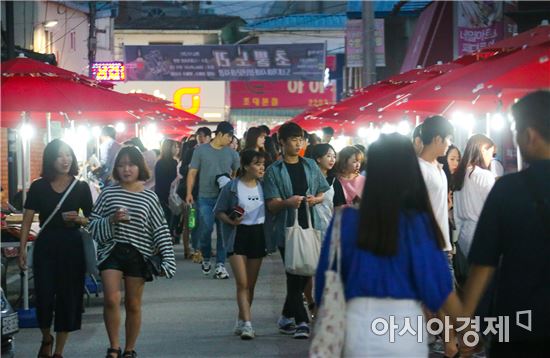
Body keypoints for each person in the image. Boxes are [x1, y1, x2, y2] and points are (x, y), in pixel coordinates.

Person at [315, 133, 461, 356]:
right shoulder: (417, 224)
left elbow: (324, 282)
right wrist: (468, 330)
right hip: (403, 327)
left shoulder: (345, 222)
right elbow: (437, 286)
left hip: (356, 326)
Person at [461, 91, 550, 356]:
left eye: (515, 131)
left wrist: (466, 325)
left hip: (519, 326)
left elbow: (483, 266)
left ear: (530, 135)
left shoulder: (508, 190)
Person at [88, 146, 176, 358]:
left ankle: (129, 348)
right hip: (112, 250)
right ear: (116, 169)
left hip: (139, 252)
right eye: (121, 165)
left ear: (140, 167)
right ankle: (114, 347)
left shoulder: (149, 197)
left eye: (131, 164)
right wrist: (111, 220)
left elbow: (160, 228)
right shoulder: (108, 193)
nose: (126, 169)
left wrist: (168, 259)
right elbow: (92, 224)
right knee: (111, 298)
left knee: (133, 303)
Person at [18, 139, 93, 358]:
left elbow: (91, 218)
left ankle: (59, 351)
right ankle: (46, 337)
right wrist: (22, 248)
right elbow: (27, 219)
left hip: (72, 246)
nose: (65, 160)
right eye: (60, 155)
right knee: (43, 296)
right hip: (46, 246)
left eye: (68, 155)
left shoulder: (80, 186)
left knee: (68, 298)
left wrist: (78, 219)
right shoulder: (39, 186)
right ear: (51, 159)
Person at [263, 122, 329, 339]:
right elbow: (272, 204)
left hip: (311, 225)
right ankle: (301, 321)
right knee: (293, 272)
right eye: (293, 139)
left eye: (300, 139)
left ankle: (285, 316)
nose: (298, 143)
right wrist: (287, 202)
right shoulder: (273, 171)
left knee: (305, 272)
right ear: (282, 142)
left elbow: (323, 193)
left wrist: (314, 200)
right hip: (286, 228)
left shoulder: (310, 165)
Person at [214, 150, 268, 340]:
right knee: (242, 283)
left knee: (251, 285)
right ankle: (247, 324)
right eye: (257, 163)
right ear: (245, 166)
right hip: (238, 235)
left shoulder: (265, 187)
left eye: (263, 163)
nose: (261, 167)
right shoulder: (232, 187)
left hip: (258, 234)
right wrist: (231, 222)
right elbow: (218, 211)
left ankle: (241, 319)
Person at [418, 115, 458, 357]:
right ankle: (451, 347)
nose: (449, 144)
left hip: (441, 243)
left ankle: (447, 345)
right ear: (437, 138)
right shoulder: (419, 170)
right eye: (448, 139)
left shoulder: (437, 167)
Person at [186, 122, 240, 279]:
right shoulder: (201, 151)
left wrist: (230, 184)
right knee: (206, 229)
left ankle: (220, 265)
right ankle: (206, 257)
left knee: (223, 233)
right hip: (205, 197)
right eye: (229, 136)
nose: (231, 140)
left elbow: (237, 174)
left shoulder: (232, 154)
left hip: (224, 200)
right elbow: (192, 172)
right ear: (221, 134)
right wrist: (189, 192)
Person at [452, 134, 495, 257]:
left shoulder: (459, 175)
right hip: (483, 235)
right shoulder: (485, 176)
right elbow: (494, 210)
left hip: (464, 237)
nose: (491, 158)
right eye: (490, 154)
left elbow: (456, 215)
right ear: (483, 150)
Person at [154, 139, 179, 230]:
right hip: (168, 196)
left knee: (165, 221)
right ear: (169, 148)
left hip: (162, 196)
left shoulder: (159, 162)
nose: (177, 149)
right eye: (175, 147)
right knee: (169, 220)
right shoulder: (173, 163)